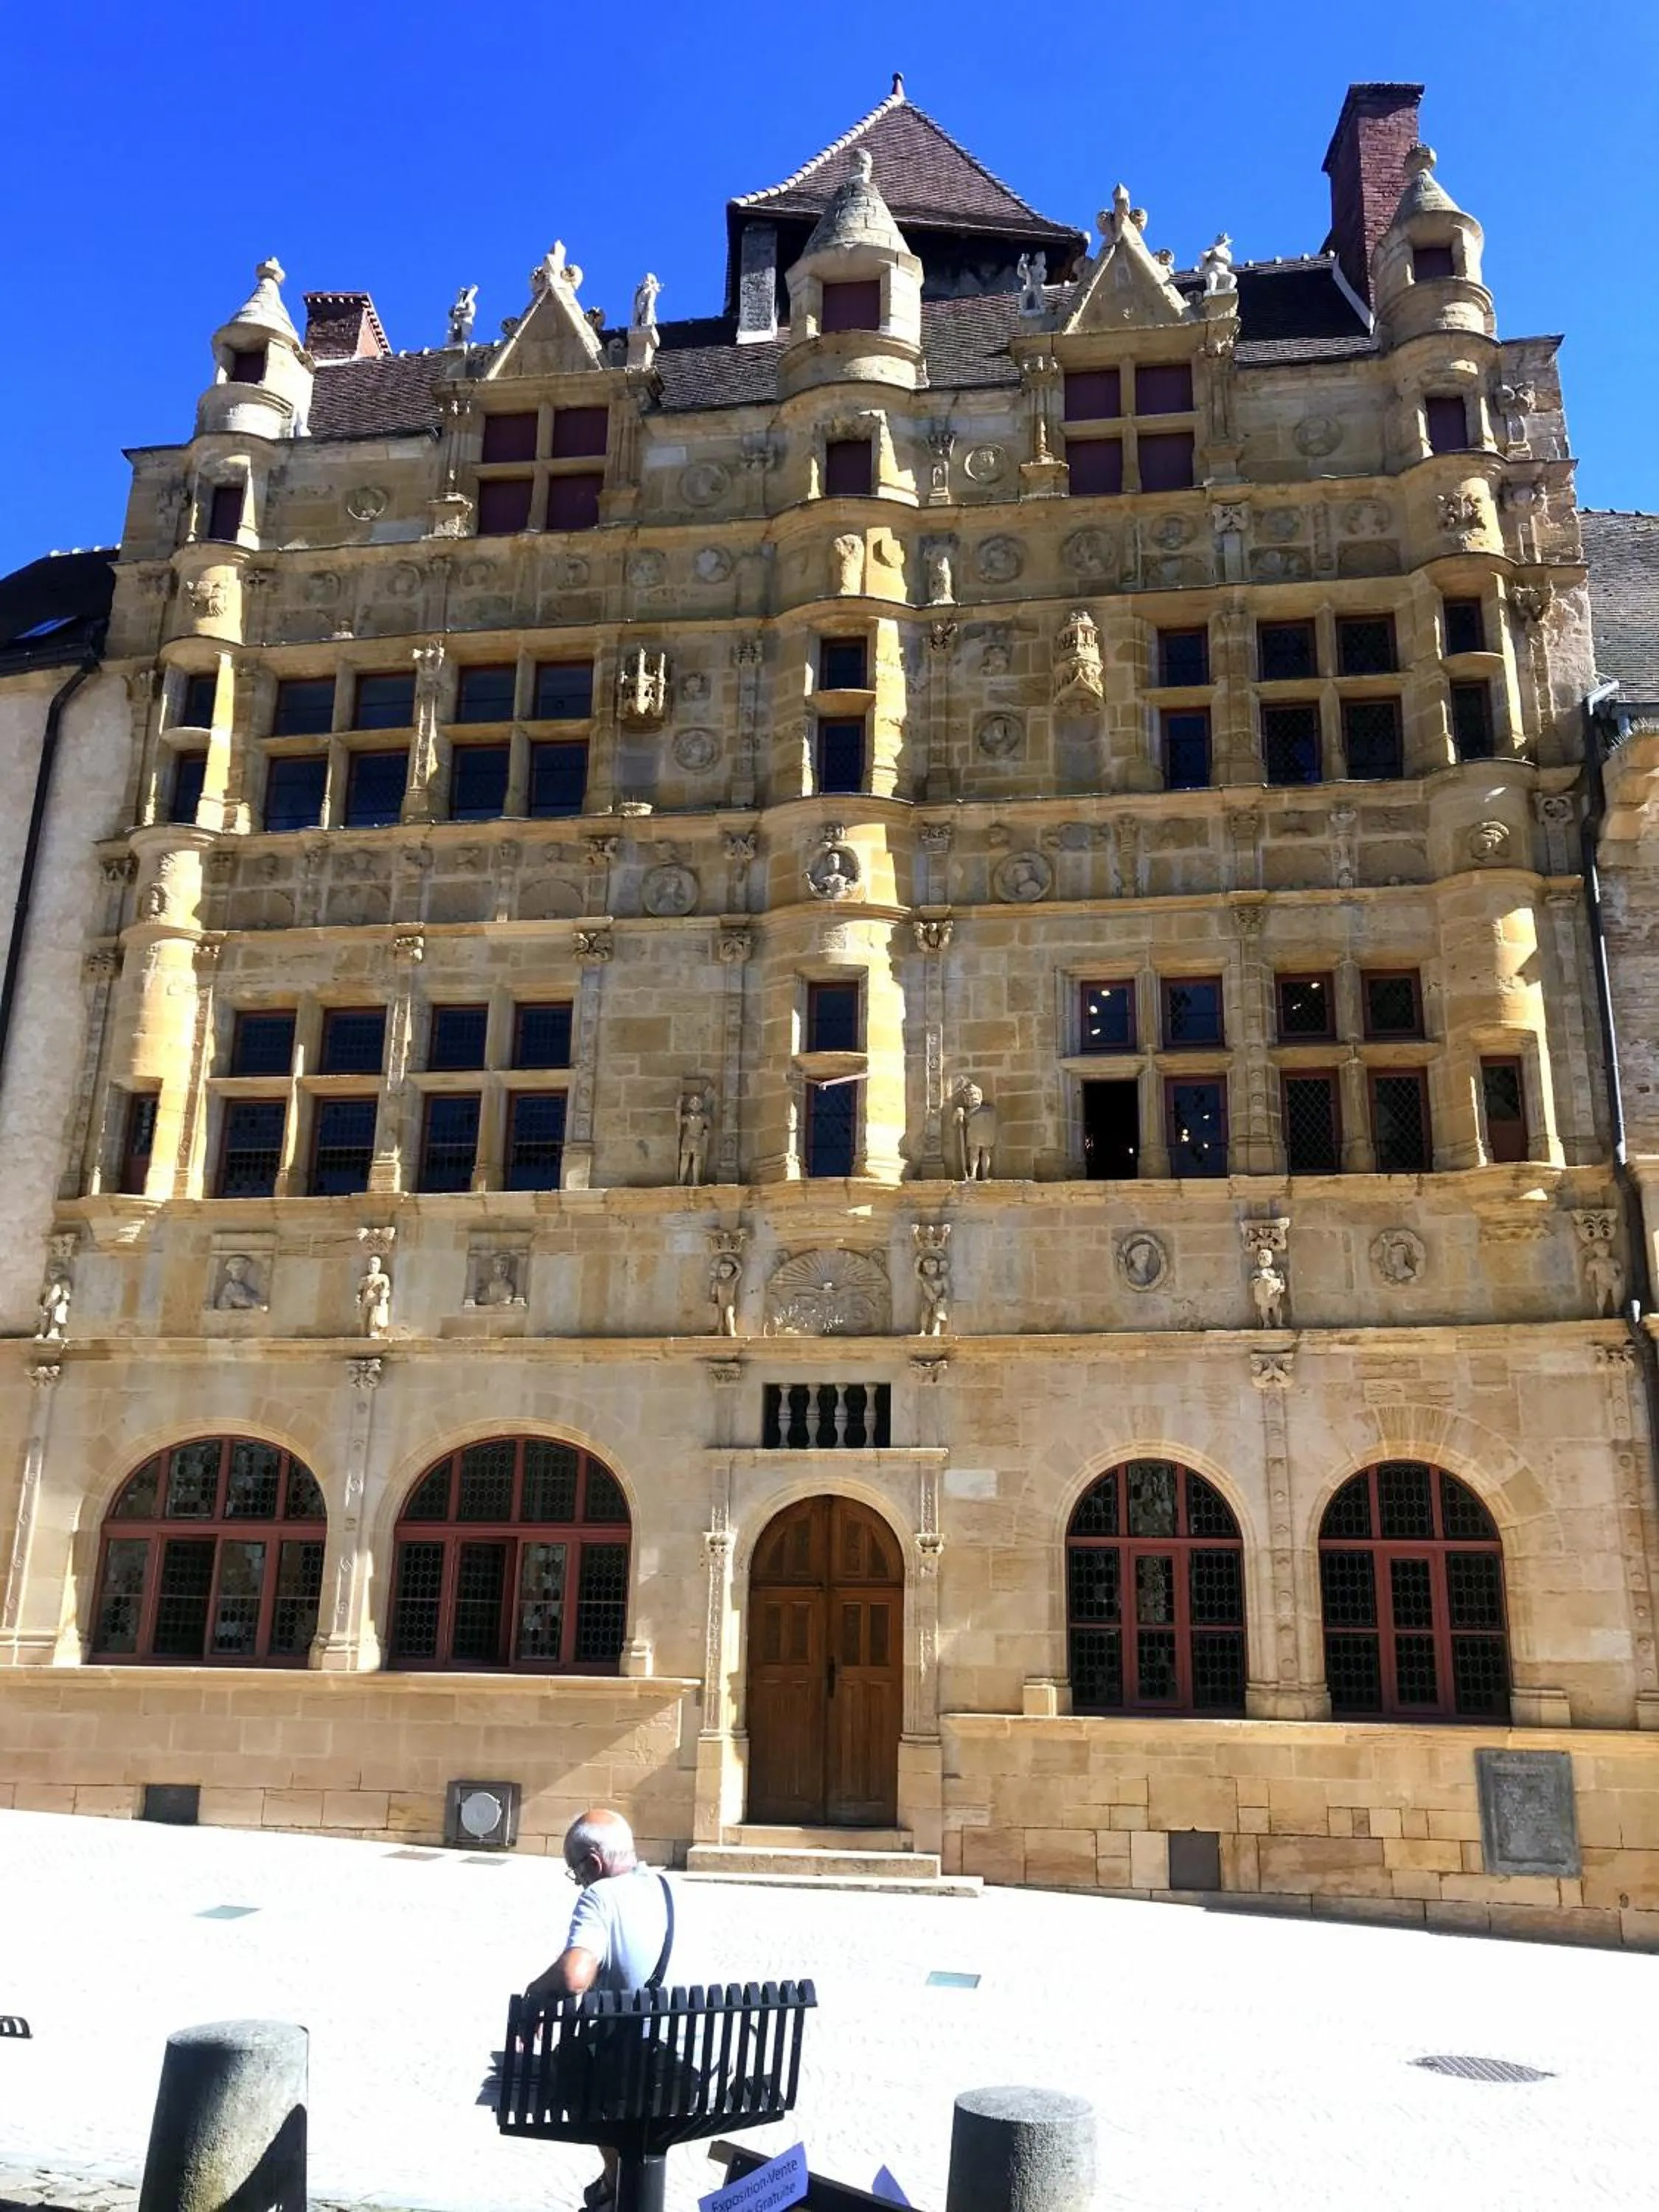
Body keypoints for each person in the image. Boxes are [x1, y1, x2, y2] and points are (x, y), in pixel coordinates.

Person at [523, 1808, 674, 2207]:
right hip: (696, 2071)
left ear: (593, 1863)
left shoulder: (600, 1896)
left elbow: (574, 1976)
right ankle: (615, 2183)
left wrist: (535, 1993)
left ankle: (615, 2180)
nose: (579, 1882)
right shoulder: (669, 1890)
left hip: (640, 2076)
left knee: (570, 2062)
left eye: (576, 1872)